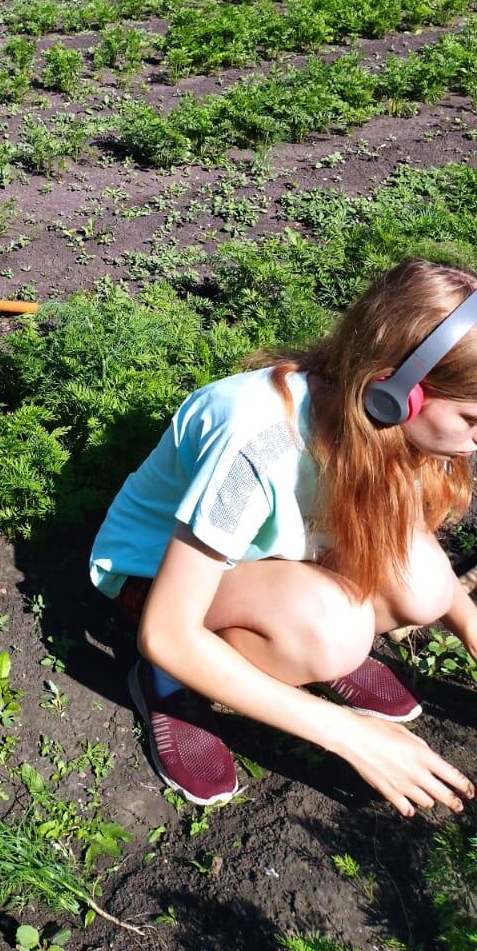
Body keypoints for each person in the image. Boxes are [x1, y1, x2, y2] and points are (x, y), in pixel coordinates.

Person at [89, 257, 477, 816]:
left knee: (425, 585)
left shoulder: (387, 424)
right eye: (471, 419)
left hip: (274, 562)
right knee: (336, 631)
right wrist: (350, 735)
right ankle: (173, 685)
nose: (475, 442)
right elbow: (168, 629)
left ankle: (305, 641)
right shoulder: (258, 438)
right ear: (399, 393)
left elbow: (408, 536)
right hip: (157, 582)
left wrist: (469, 626)